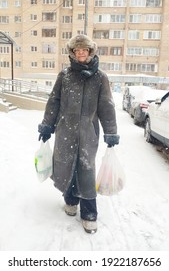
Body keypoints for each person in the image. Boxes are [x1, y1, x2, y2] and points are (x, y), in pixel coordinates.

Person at [38, 34, 119, 233]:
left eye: (84, 50)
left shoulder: (100, 78)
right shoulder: (64, 75)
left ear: (90, 52)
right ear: (73, 53)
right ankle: (71, 200)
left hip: (88, 133)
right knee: (66, 166)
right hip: (65, 130)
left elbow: (106, 106)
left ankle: (89, 212)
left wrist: (111, 132)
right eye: (77, 50)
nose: (81, 53)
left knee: (86, 168)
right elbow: (54, 101)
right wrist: (47, 125)